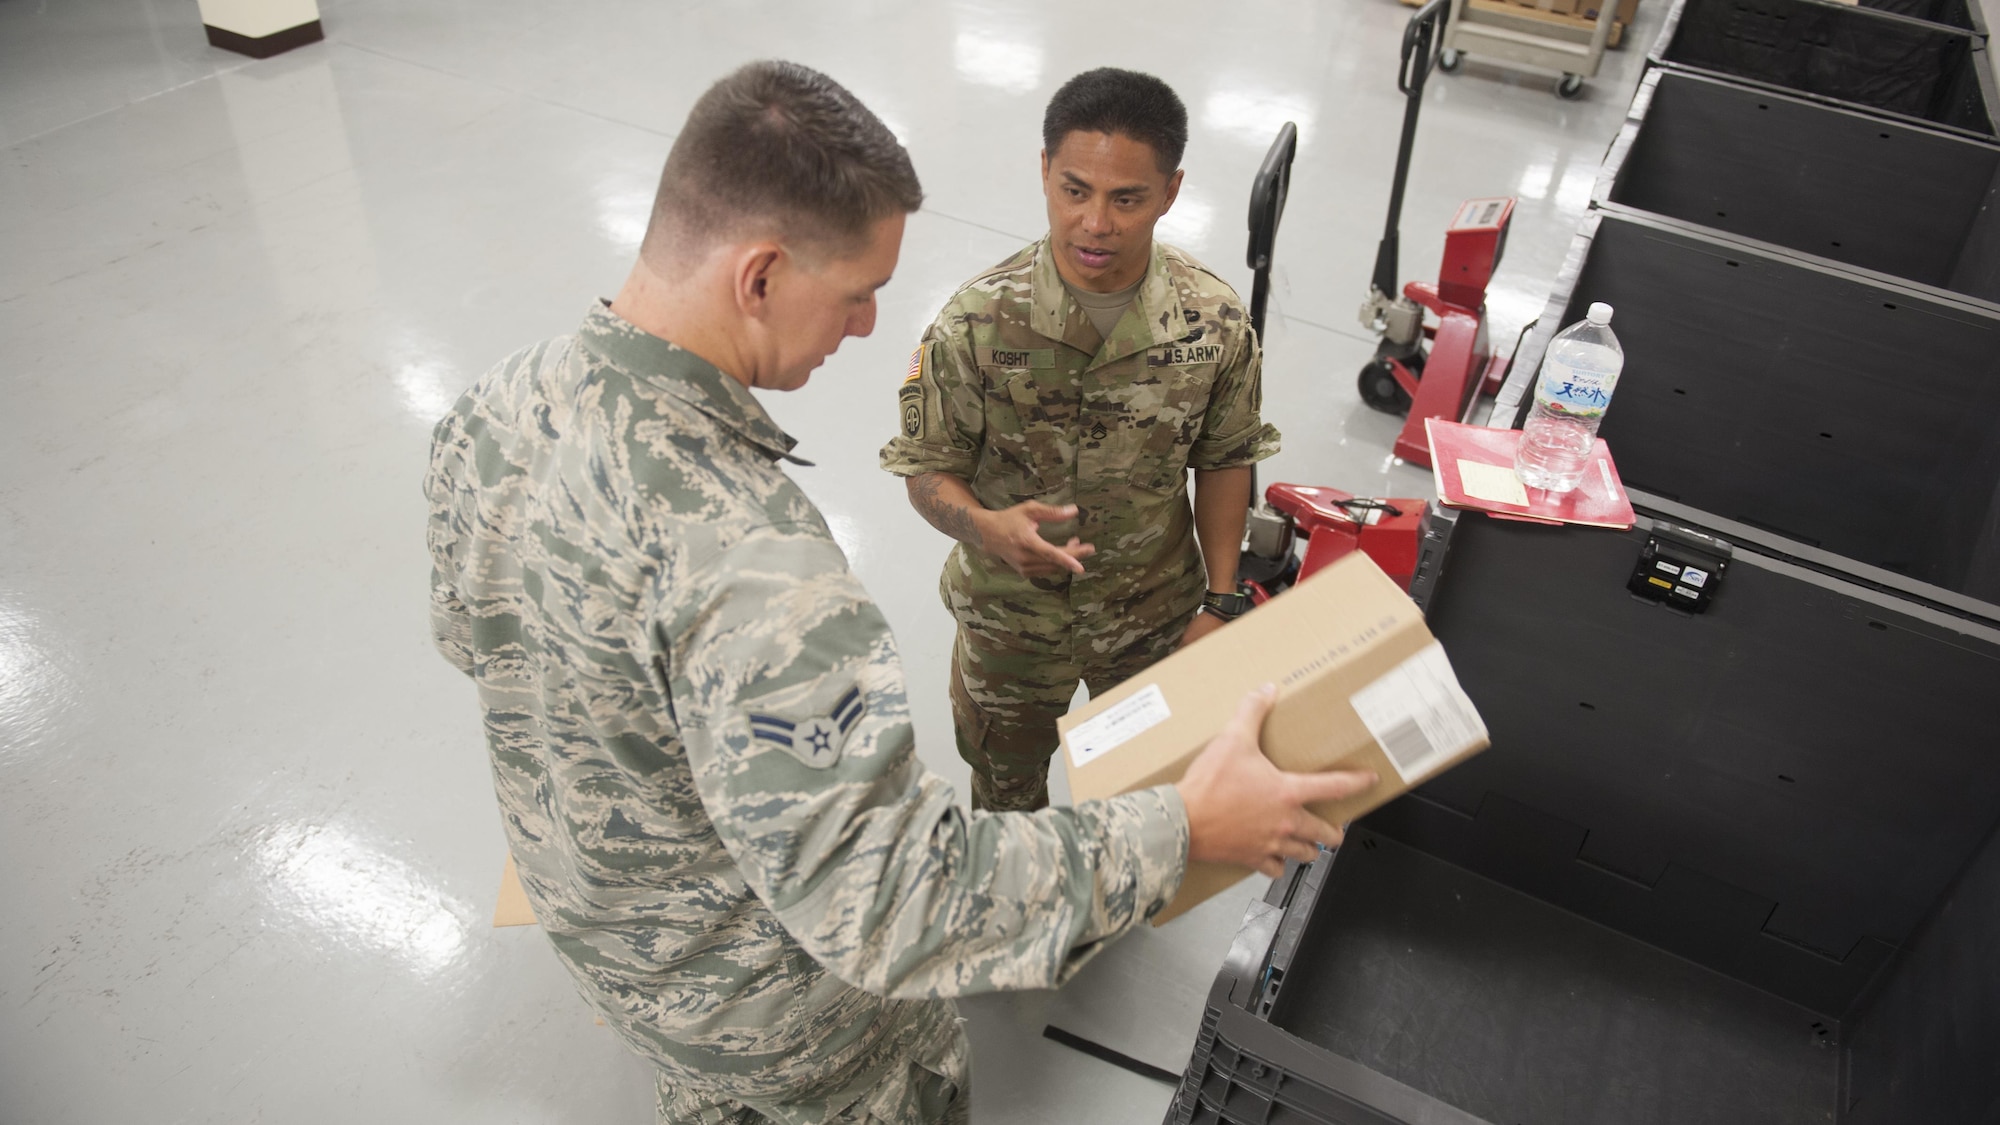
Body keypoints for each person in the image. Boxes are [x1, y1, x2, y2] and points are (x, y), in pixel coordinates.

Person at [425, 60, 1371, 1125]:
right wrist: (1187, 830)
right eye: (858, 291)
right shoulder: (758, 567)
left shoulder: (494, 406)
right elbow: (894, 904)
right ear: (760, 276)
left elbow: (480, 648)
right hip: (795, 1031)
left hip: (628, 960)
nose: (871, 325)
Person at [881, 69, 1281, 814]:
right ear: (1043, 172)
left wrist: (1220, 603)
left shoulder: (1213, 321)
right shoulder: (977, 322)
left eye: (1127, 198)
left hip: (1150, 619)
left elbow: (1227, 459)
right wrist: (986, 527)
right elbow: (927, 470)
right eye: (1075, 190)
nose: (1096, 222)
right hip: (1012, 623)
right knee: (1006, 790)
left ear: (1170, 190)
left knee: (1144, 790)